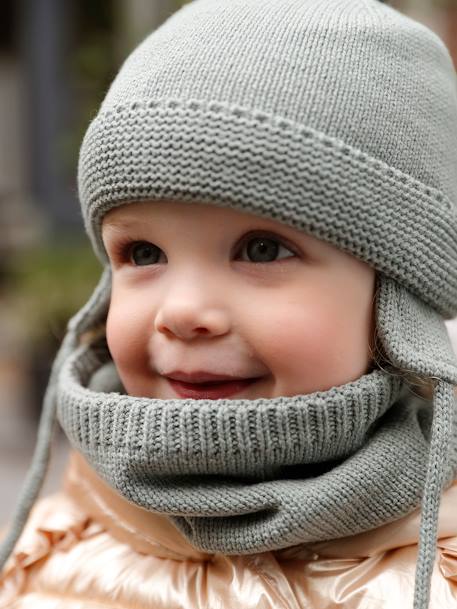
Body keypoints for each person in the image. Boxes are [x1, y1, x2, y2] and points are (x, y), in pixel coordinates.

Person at [1, 0, 457, 607]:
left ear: (402, 291)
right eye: (142, 254)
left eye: (263, 249)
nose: (183, 311)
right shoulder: (58, 544)